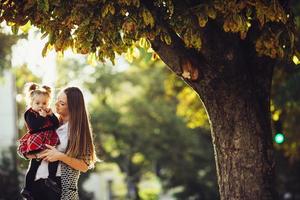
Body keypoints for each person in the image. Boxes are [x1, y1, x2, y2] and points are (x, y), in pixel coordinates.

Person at [18, 86, 98, 200]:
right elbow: (24, 147)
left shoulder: (78, 131)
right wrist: (35, 154)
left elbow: (84, 166)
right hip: (35, 186)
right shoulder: (47, 123)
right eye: (57, 100)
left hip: (59, 189)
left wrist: (60, 156)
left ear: (73, 107)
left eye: (62, 103)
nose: (56, 104)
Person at [18, 83, 60, 199]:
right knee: (33, 166)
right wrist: (42, 117)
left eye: (44, 103)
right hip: (37, 140)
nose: (41, 106)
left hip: (47, 140)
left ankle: (51, 179)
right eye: (37, 103)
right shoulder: (29, 114)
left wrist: (51, 115)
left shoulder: (47, 113)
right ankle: (27, 188)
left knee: (53, 159)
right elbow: (34, 126)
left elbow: (56, 124)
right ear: (31, 104)